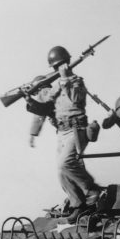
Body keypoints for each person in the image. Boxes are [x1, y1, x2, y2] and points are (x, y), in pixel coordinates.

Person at [34, 46, 102, 223]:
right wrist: (29, 96)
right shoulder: (56, 83)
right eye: (56, 67)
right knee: (61, 172)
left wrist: (65, 78)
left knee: (66, 163)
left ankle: (92, 190)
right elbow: (46, 100)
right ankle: (78, 204)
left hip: (76, 129)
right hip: (62, 131)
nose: (59, 69)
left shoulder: (76, 80)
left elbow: (76, 99)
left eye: (61, 65)